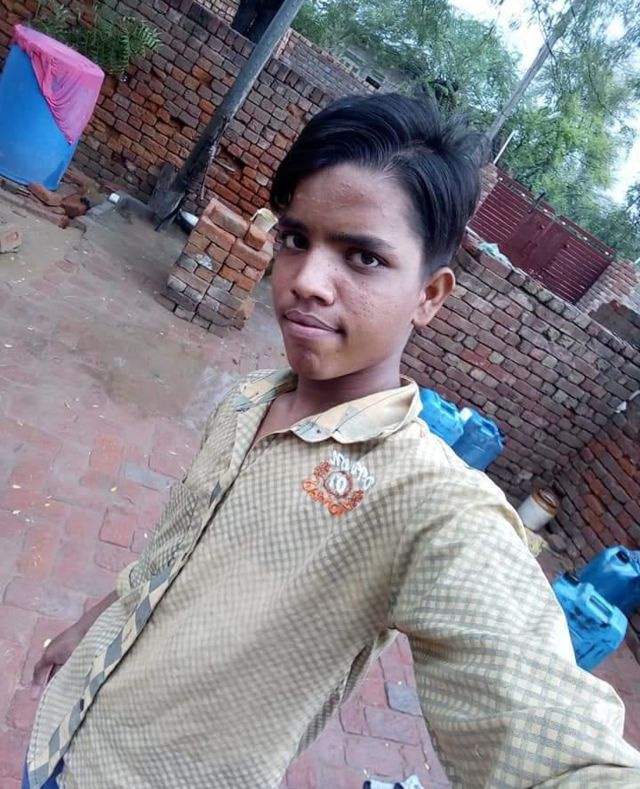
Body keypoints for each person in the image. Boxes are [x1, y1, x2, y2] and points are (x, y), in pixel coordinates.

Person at [26, 94, 640, 788]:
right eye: (296, 240)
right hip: (59, 737)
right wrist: (91, 627)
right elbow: (170, 558)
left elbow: (562, 749)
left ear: (430, 295)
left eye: (363, 257)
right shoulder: (250, 398)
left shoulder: (429, 504)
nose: (306, 282)